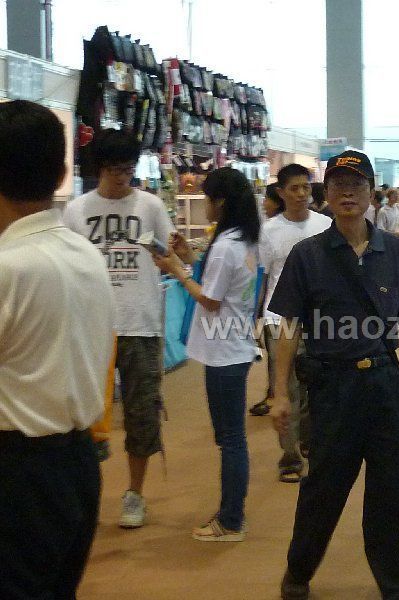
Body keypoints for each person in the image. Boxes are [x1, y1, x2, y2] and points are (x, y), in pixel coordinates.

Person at [269, 150, 399, 600]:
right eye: (338, 185)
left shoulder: (394, 253)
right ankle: (298, 572)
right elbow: (288, 328)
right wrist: (280, 393)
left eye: (357, 185)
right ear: (328, 193)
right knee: (323, 489)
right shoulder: (308, 255)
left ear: (371, 192)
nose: (347, 194)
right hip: (331, 389)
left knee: (393, 492)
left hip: (384, 385)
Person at [0, 100, 114, 598]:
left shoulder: (10, 267)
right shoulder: (85, 254)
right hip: (77, 465)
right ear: (62, 173)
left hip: (19, 472)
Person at [63, 128, 174, 529]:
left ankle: (135, 494)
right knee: (82, 416)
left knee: (142, 412)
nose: (123, 177)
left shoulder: (150, 205)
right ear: (99, 168)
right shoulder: (76, 210)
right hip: (90, 327)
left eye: (129, 168)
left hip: (140, 323)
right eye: (115, 169)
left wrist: (172, 253)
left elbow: (170, 255)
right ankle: (84, 494)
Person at [153, 167, 260, 541]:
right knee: (231, 437)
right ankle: (231, 514)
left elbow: (211, 299)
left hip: (225, 352)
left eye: (207, 199)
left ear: (221, 202)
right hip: (234, 345)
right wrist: (190, 259)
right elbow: (222, 286)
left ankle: (231, 519)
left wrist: (177, 269)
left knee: (230, 439)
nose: (205, 206)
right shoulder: (243, 240)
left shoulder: (228, 245)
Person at [258, 164, 331, 482]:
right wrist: (256, 320)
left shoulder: (326, 225)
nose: (302, 194)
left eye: (306, 187)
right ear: (281, 192)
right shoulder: (268, 231)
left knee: (315, 385)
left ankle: (309, 441)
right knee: (285, 388)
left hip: (319, 321)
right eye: (294, 188)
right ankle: (289, 456)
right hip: (279, 320)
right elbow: (261, 279)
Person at [249, 182, 286, 418]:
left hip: (289, 310)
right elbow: (262, 275)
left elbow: (260, 276)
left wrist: (255, 312)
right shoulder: (268, 230)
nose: (264, 203)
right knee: (275, 358)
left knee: (281, 360)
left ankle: (276, 396)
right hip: (275, 310)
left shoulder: (268, 230)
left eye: (267, 199)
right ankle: (274, 395)